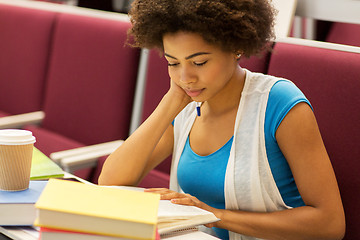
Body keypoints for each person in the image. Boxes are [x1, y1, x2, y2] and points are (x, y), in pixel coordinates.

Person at [98, 0, 345, 239]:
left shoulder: (279, 103)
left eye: (199, 62)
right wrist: (170, 102)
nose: (186, 77)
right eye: (173, 63)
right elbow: (111, 182)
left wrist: (214, 215)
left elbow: (329, 224)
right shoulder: (185, 105)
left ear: (236, 47)